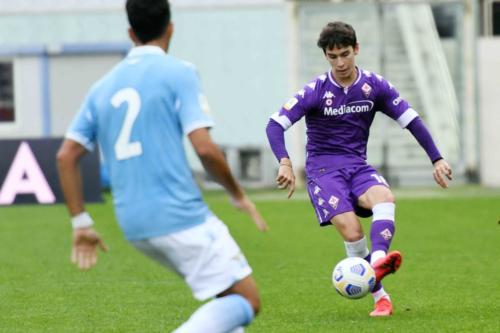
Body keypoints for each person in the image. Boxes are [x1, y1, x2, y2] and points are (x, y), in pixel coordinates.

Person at [56, 1, 268, 332]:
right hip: (180, 215)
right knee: (246, 300)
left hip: (133, 224)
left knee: (226, 308)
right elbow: (206, 150)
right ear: (171, 28)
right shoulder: (179, 72)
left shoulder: (102, 87)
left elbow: (66, 156)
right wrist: (238, 194)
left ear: (130, 33)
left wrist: (81, 223)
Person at [265, 21, 452, 317]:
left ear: (356, 49)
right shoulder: (315, 90)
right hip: (323, 172)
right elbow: (275, 124)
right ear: (326, 55)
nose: (340, 62)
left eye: (345, 54)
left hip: (357, 165)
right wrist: (285, 162)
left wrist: (437, 158)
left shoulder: (374, 86)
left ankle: (377, 261)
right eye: (333, 56)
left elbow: (411, 120)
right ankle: (381, 298)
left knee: (385, 199)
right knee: (352, 233)